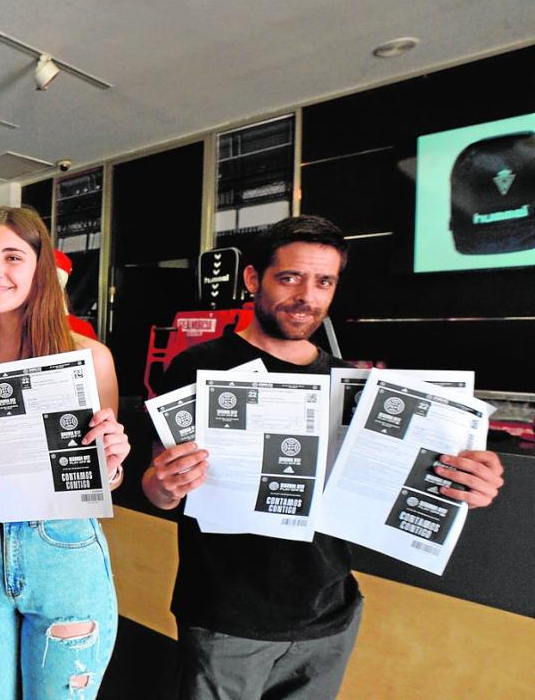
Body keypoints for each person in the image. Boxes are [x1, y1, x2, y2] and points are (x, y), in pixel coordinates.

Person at [141, 215, 507, 700]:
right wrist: (164, 486)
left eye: (324, 281)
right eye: (289, 277)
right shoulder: (199, 367)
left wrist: (466, 484)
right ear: (254, 279)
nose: (306, 296)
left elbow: (403, 486)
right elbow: (156, 487)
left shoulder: (354, 386)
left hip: (330, 616)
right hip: (228, 618)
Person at [0, 206, 131, 699]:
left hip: (62, 546)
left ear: (40, 268)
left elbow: (103, 477)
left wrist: (113, 460)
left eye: (13, 257)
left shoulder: (87, 357)